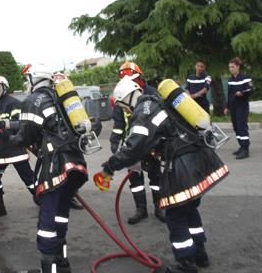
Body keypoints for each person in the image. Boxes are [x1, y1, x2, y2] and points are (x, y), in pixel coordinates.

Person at [95, 77, 229, 273]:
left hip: (182, 166)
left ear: (129, 98)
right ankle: (200, 255)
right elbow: (162, 135)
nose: (125, 111)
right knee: (190, 210)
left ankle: (186, 264)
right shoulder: (156, 101)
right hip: (199, 158)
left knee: (175, 216)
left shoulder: (143, 111)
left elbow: (133, 147)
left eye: (124, 107)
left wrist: (109, 167)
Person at [0, 63, 88, 273]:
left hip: (55, 166)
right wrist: (5, 125)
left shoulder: (34, 100)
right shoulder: (56, 97)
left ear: (36, 79)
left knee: (47, 220)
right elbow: (36, 124)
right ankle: (62, 263)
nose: (27, 84)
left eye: (28, 79)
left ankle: (49, 268)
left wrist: (9, 138)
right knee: (61, 215)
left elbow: (26, 134)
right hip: (76, 165)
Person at [110, 61, 165, 224]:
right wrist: (115, 142)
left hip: (151, 143)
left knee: (156, 178)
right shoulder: (122, 94)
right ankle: (140, 209)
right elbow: (118, 124)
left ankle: (159, 206)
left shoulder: (153, 93)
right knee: (135, 179)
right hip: (132, 144)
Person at [0, 74, 37, 215]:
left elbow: (20, 124)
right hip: (0, 151)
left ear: (4, 87)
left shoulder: (14, 103)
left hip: (15, 150)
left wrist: (0, 124)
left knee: (29, 180)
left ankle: (45, 200)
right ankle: (0, 208)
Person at [224, 57, 253, 159]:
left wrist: (242, 93)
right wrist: (227, 107)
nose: (230, 69)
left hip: (242, 106)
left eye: (232, 67)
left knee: (242, 127)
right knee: (236, 128)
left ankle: (245, 149)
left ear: (238, 67)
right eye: (229, 67)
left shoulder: (245, 77)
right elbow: (230, 94)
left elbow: (251, 90)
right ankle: (241, 146)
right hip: (233, 107)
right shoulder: (230, 80)